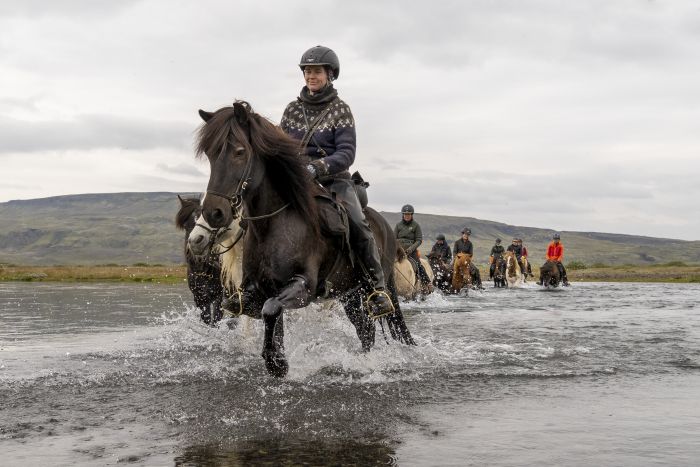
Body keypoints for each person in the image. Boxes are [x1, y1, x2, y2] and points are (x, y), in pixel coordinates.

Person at [280, 45, 392, 314]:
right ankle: (248, 286)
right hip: (297, 180)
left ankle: (377, 289)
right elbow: (280, 146)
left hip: (334, 180)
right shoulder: (292, 109)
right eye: (307, 71)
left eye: (316, 71)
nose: (310, 76)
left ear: (330, 74)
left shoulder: (340, 109)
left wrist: (317, 167)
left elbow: (347, 153)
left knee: (358, 224)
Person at [395, 204, 432, 291]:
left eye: (408, 214)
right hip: (398, 250)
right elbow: (394, 238)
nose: (407, 216)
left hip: (411, 250)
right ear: (403, 215)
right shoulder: (398, 225)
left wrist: (411, 249)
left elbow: (419, 240)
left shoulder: (416, 225)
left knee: (418, 264)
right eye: (405, 214)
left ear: (411, 215)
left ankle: (427, 282)